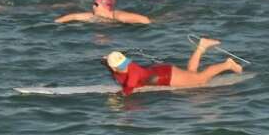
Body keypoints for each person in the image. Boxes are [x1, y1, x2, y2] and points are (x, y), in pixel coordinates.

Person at [104, 38, 243, 95]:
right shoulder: (117, 66)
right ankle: (202, 46)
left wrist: (117, 98)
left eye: (125, 64)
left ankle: (227, 64)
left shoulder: (132, 71)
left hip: (166, 76)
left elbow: (129, 88)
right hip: (161, 71)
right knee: (191, 73)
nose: (125, 67)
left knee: (200, 79)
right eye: (121, 66)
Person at [55, 0, 151, 25]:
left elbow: (145, 20)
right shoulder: (94, 16)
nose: (93, 6)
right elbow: (74, 16)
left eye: (95, 4)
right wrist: (56, 22)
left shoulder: (119, 16)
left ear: (103, 6)